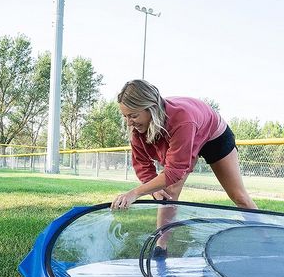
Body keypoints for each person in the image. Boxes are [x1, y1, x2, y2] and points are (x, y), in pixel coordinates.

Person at [110, 79, 257, 212]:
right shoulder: (136, 129)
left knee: (239, 196)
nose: (129, 122)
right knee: (168, 194)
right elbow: (142, 165)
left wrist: (136, 193)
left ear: (152, 109)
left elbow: (174, 172)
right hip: (186, 130)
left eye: (133, 116)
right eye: (125, 116)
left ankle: (266, 238)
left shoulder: (182, 120)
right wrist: (154, 190)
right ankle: (161, 242)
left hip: (213, 135)